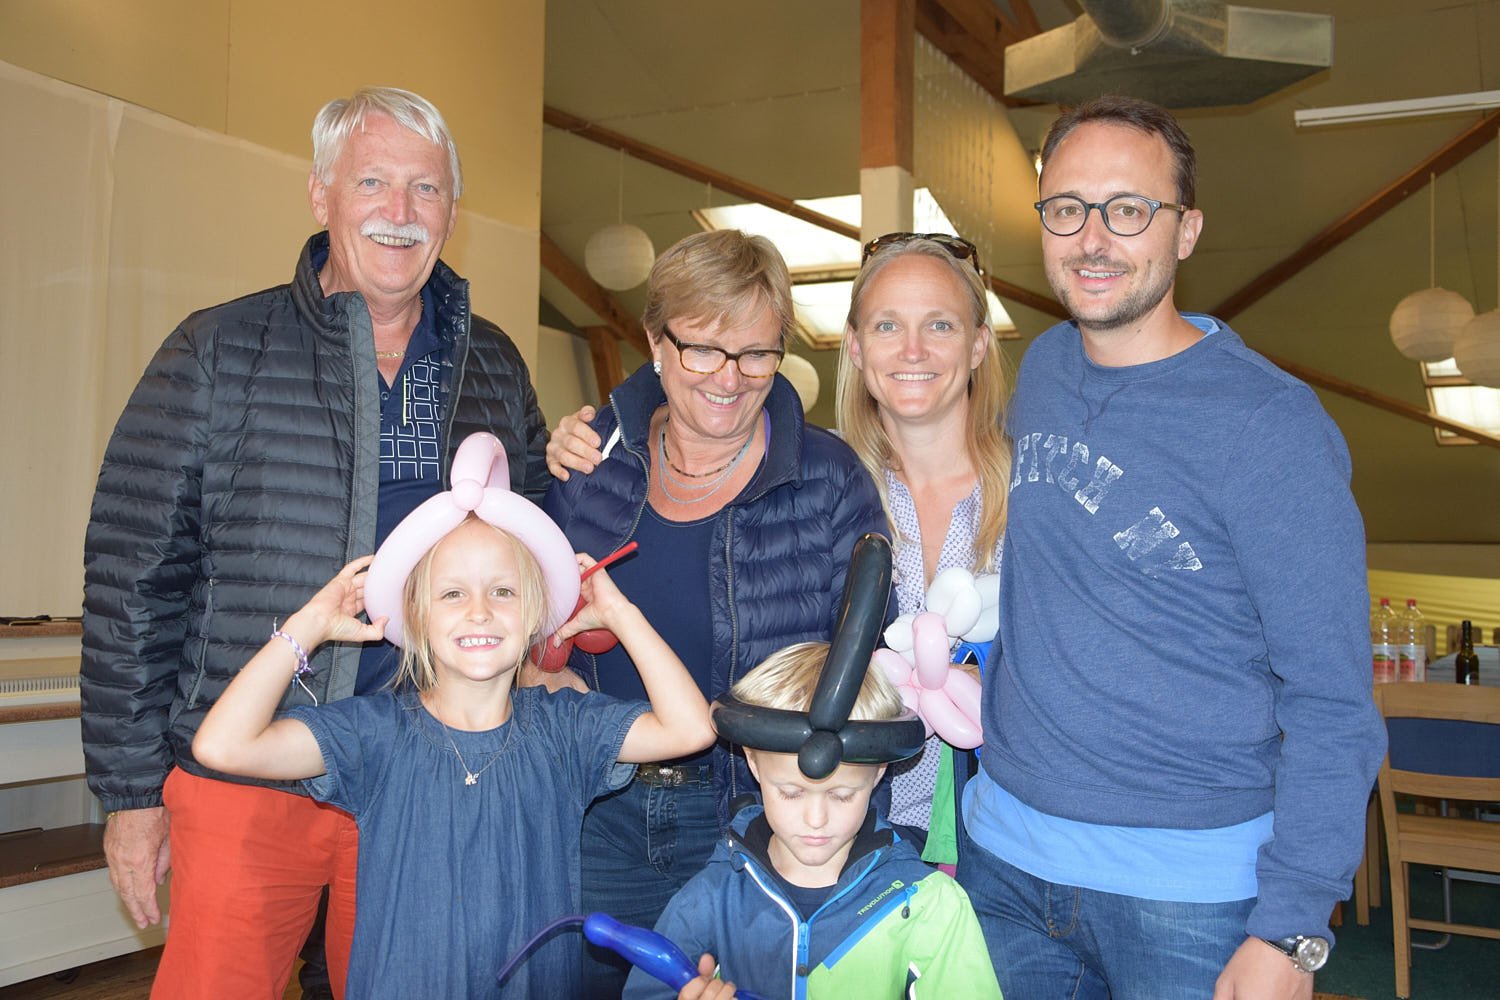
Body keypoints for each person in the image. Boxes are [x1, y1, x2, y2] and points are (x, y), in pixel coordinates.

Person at [79, 86, 549, 999]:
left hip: (425, 776)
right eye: (372, 181)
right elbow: (132, 578)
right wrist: (132, 793)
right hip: (247, 774)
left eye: (426, 188)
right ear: (320, 194)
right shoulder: (219, 350)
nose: (399, 211)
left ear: (452, 210)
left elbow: (534, 547)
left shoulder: (493, 362)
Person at [957, 94, 1386, 999]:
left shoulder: (1270, 425)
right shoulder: (1044, 368)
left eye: (1128, 209)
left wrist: (1294, 928)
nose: (1092, 239)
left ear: (1186, 231)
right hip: (1003, 863)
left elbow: (1333, 699)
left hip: (1189, 897)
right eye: (1067, 208)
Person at [193, 436, 715, 1000]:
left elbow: (690, 728)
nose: (480, 611)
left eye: (503, 591)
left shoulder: (566, 730)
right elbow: (224, 746)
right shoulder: (373, 734)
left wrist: (620, 613)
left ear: (537, 613)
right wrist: (307, 627)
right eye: (452, 594)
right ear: (415, 618)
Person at [541, 228, 890, 997]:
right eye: (703, 350)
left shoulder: (829, 480)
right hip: (594, 807)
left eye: (757, 353)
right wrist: (542, 675)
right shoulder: (590, 461)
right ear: (655, 342)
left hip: (745, 816)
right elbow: (531, 615)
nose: (731, 379)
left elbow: (868, 669)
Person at [623, 641, 1001, 1000]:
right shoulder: (710, 900)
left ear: (878, 770)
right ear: (753, 761)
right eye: (791, 792)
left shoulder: (928, 905)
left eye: (842, 794)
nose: (816, 819)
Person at [837, 232, 1008, 866]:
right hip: (857, 835)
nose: (913, 350)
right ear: (855, 347)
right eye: (887, 325)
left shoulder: (1038, 490)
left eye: (940, 324)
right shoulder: (821, 491)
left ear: (978, 344)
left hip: (1011, 844)